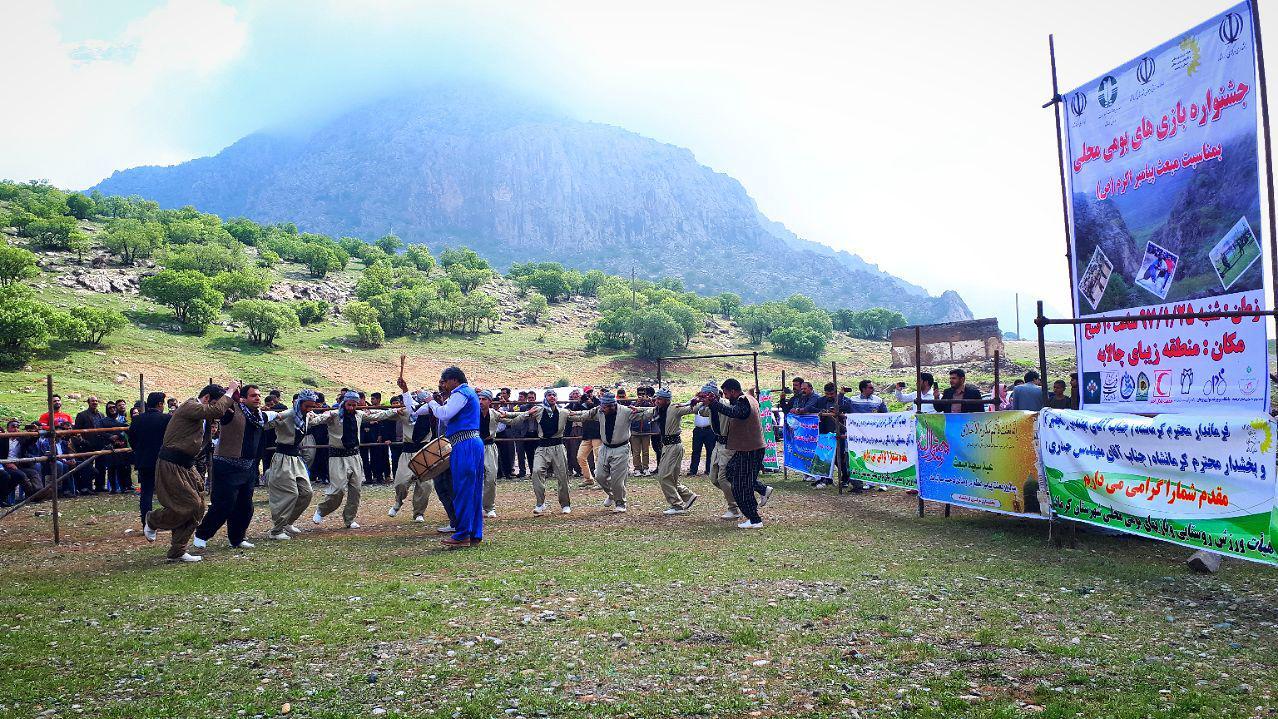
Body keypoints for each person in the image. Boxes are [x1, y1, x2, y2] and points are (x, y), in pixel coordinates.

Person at [143, 380, 238, 563]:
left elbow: (220, 413)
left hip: (187, 464)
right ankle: (153, 519)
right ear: (207, 398)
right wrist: (231, 389)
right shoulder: (190, 405)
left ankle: (177, 550)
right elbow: (216, 410)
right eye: (215, 402)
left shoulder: (204, 412)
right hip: (171, 463)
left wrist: (230, 402)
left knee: (198, 508)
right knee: (189, 503)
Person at [309, 391, 402, 529]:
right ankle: (321, 510)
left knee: (356, 490)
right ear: (344, 403)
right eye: (349, 404)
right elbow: (317, 419)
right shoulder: (333, 415)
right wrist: (310, 415)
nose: (351, 407)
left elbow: (379, 415)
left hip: (354, 456)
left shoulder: (359, 415)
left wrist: (395, 411)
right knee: (337, 490)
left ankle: (349, 518)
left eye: (354, 405)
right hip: (337, 457)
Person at [193, 384, 269, 551]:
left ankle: (237, 538)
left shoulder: (260, 416)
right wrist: (231, 390)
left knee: (245, 507)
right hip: (226, 466)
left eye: (258, 395)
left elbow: (278, 416)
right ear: (242, 398)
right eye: (253, 395)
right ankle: (201, 534)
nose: (257, 398)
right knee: (224, 505)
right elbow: (220, 405)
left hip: (248, 468)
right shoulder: (231, 411)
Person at [698, 378, 771, 529]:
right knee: (732, 475)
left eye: (726, 393)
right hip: (747, 448)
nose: (724, 396)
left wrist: (713, 403)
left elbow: (736, 413)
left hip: (750, 449)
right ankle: (761, 492)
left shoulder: (743, 401)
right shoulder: (747, 399)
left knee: (740, 486)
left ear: (733, 391)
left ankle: (754, 519)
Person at [426, 366, 486, 548]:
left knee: (462, 489)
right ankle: (474, 533)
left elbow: (445, 414)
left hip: (464, 444)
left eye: (444, 381)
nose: (443, 385)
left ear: (453, 380)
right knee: (473, 489)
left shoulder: (461, 393)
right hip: (472, 443)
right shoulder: (468, 393)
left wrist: (432, 402)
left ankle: (462, 535)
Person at [497, 388, 579, 516]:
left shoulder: (563, 412)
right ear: (545, 398)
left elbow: (581, 415)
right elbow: (520, 415)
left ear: (556, 398)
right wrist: (505, 416)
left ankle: (565, 504)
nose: (552, 397)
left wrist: (597, 412)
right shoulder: (538, 410)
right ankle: (540, 503)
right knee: (536, 472)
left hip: (558, 445)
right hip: (542, 447)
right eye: (549, 395)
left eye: (554, 395)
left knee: (562, 476)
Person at [570, 390, 656, 513]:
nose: (602, 409)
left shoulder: (626, 412)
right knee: (599, 476)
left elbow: (645, 415)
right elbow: (586, 414)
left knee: (617, 479)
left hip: (621, 448)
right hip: (605, 447)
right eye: (602, 406)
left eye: (605, 407)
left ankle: (620, 502)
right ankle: (612, 494)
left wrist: (652, 408)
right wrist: (569, 414)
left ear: (612, 406)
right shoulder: (599, 411)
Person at [263, 389, 321, 540]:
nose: (309, 409)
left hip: (296, 458)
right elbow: (267, 424)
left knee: (306, 493)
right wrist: (264, 415)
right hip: (282, 458)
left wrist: (332, 414)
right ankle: (276, 530)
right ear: (299, 403)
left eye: (311, 406)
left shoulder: (307, 416)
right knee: (290, 494)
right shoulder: (287, 414)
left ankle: (288, 522)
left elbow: (317, 419)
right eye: (306, 406)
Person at [389, 382, 435, 524]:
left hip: (424, 451)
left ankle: (419, 512)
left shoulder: (433, 412)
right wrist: (404, 389)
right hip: (407, 451)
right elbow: (408, 404)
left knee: (425, 485)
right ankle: (398, 501)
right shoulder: (407, 411)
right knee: (401, 481)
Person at [651, 388, 699, 514]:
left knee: (663, 476)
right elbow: (647, 412)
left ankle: (677, 505)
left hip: (674, 445)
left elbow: (691, 409)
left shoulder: (674, 408)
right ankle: (688, 496)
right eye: (657, 398)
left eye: (660, 399)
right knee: (671, 477)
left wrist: (700, 401)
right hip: (667, 446)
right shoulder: (659, 410)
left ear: (667, 400)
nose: (657, 401)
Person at [128, 392, 171, 527]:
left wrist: (139, 451)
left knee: (146, 492)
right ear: (159, 404)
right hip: (162, 460)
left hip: (144, 460)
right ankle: (168, 520)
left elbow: (132, 440)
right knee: (167, 491)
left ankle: (146, 522)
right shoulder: (166, 419)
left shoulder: (137, 419)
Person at [73, 396, 106, 493]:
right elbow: (77, 430)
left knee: (101, 465)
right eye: (92, 401)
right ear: (88, 402)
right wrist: (82, 441)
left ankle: (100, 485)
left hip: (100, 443)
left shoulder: (101, 414)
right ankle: (86, 487)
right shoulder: (82, 415)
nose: (95, 403)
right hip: (87, 444)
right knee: (87, 466)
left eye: (96, 401)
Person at [478, 390, 502, 518]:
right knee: (475, 478)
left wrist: (527, 414)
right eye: (479, 399)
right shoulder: (472, 414)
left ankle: (489, 507)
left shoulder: (495, 414)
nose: (481, 402)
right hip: (475, 447)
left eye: (484, 399)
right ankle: (476, 507)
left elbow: (511, 419)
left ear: (490, 401)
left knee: (491, 477)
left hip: (490, 446)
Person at [574, 388, 601, 488]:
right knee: (580, 457)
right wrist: (580, 401)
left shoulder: (598, 401)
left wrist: (590, 403)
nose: (589, 394)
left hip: (597, 434)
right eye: (587, 393)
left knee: (599, 458)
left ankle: (601, 481)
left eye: (590, 392)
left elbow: (596, 410)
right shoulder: (582, 403)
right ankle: (588, 478)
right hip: (587, 434)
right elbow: (575, 409)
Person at [688, 402, 715, 476]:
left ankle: (709, 470)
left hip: (709, 429)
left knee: (710, 450)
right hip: (698, 430)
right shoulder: (697, 403)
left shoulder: (711, 403)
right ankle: (693, 470)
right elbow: (689, 404)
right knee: (696, 450)